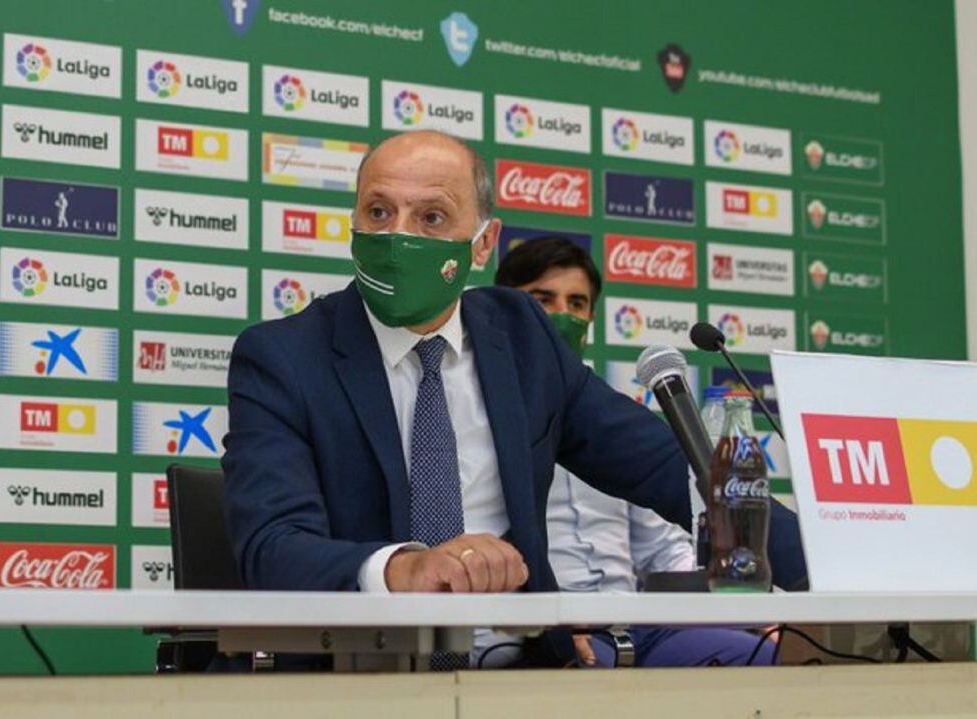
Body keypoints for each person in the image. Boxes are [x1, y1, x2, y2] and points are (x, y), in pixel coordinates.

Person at [223, 130, 773, 667]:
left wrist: (829, 570)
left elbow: (669, 470)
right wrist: (403, 569)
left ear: (483, 242)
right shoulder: (285, 358)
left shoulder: (521, 338)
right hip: (360, 679)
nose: (397, 236)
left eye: (431, 217)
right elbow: (272, 547)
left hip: (519, 674)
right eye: (378, 212)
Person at [495, 236, 777, 667]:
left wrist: (743, 601)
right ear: (505, 305)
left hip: (641, 621)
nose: (562, 315)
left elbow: (662, 550)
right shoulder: (480, 411)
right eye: (543, 299)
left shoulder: (614, 422)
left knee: (758, 653)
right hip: (555, 624)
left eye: (577, 303)